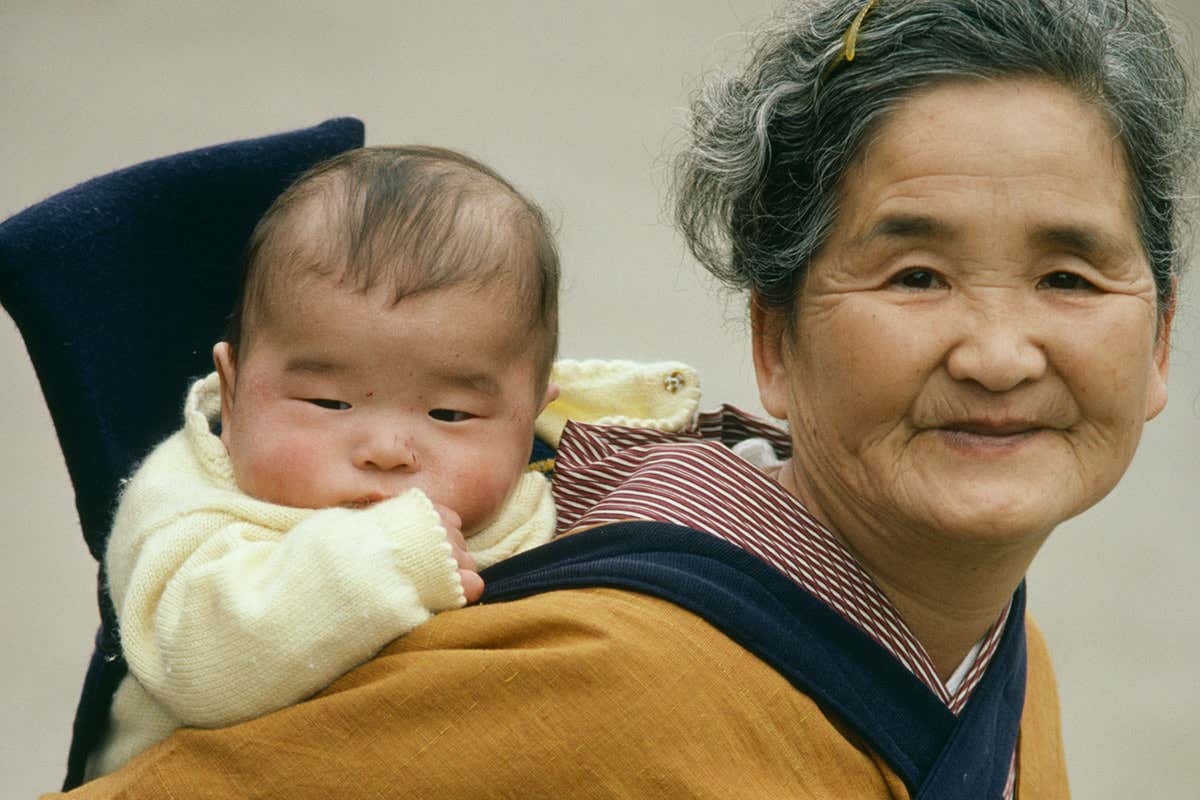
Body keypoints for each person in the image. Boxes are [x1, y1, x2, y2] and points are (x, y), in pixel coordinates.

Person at [49, 0, 1195, 798]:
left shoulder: (1002, 646)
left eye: (1069, 276)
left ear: (1159, 336)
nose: (999, 352)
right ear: (774, 339)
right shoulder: (601, 670)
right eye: (914, 274)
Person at [81, 145, 701, 781]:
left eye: (450, 415)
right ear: (232, 392)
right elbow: (199, 664)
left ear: (531, 418)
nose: (385, 449)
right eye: (329, 401)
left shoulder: (560, 481)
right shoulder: (187, 503)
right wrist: (384, 559)